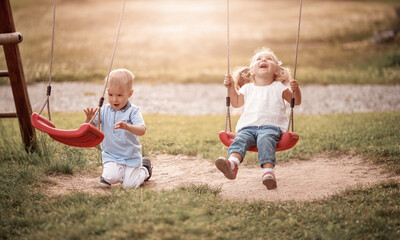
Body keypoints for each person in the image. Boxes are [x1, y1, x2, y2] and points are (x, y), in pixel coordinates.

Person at [215, 48, 302, 190]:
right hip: (247, 127)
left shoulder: (279, 87)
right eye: (259, 59)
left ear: (276, 70)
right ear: (252, 71)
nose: (263, 60)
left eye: (268, 59)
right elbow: (236, 102)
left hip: (271, 128)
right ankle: (231, 164)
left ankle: (268, 172)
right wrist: (231, 86)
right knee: (240, 140)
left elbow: (295, 101)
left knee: (265, 140)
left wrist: (296, 90)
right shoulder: (247, 88)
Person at [84, 68, 152, 189]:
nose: (115, 99)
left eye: (120, 95)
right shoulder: (103, 110)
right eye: (110, 95)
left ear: (130, 94)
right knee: (110, 178)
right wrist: (88, 119)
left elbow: (142, 130)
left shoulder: (133, 111)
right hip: (112, 155)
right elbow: (90, 129)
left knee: (129, 186)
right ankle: (115, 174)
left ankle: (144, 169)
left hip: (130, 155)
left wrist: (127, 126)